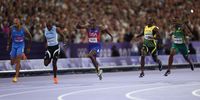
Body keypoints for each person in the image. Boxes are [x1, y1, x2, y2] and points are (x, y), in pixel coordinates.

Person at [6, 17, 32, 82]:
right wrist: (8, 44)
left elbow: (30, 37)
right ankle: (18, 63)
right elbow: (9, 37)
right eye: (14, 23)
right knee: (12, 63)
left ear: (19, 23)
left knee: (18, 60)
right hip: (14, 46)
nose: (15, 24)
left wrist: (29, 47)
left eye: (16, 23)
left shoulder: (24, 29)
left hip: (21, 46)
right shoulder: (11, 28)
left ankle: (16, 77)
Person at [43, 20, 65, 84]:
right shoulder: (45, 30)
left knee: (54, 63)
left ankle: (55, 78)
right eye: (47, 27)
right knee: (46, 64)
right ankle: (50, 58)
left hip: (56, 48)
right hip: (49, 48)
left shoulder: (56, 29)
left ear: (52, 26)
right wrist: (46, 44)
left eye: (49, 26)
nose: (48, 28)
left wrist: (64, 43)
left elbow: (62, 35)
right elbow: (45, 38)